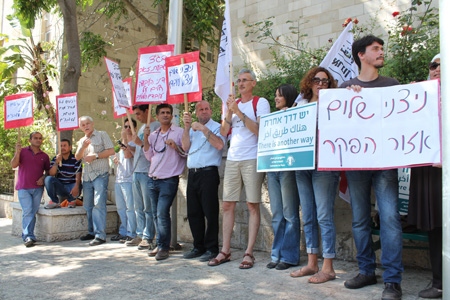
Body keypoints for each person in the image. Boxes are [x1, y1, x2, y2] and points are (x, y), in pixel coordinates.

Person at [340, 35, 403, 300]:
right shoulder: (345, 88)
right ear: (360, 55)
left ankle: (392, 281)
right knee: (359, 220)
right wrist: (347, 100)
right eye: (375, 49)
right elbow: (338, 125)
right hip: (357, 166)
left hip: (386, 163)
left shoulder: (393, 85)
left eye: (381, 48)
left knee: (389, 218)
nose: (380, 52)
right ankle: (366, 270)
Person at [208, 69, 270, 269]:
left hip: (252, 158)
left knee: (252, 205)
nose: (241, 83)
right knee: (227, 205)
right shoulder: (232, 106)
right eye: (239, 80)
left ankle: (249, 252)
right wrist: (228, 112)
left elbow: (261, 131)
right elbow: (224, 132)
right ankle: (225, 250)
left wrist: (239, 112)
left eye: (245, 80)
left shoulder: (260, 103)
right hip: (233, 159)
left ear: (253, 83)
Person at [289, 68, 340, 283]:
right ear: (309, 82)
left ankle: (328, 267)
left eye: (325, 81)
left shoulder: (336, 104)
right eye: (317, 80)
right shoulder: (299, 105)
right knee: (308, 215)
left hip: (324, 167)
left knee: (324, 216)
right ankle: (312, 263)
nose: (321, 84)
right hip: (302, 166)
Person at [407, 53, 442, 299]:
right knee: (436, 227)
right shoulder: (419, 95)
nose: (437, 69)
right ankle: (439, 282)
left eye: (442, 65)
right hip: (430, 170)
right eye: (433, 65)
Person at [181, 101, 225, 262]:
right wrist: (186, 129)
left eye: (207, 108)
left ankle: (212, 248)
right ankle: (197, 246)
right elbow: (185, 147)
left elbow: (219, 145)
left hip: (208, 173)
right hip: (193, 174)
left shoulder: (217, 127)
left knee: (210, 212)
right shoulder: (192, 128)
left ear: (211, 111)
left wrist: (203, 129)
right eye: (201, 109)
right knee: (194, 212)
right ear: (196, 113)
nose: (204, 112)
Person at [143, 104, 186, 260]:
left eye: (168, 112)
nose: (166, 115)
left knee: (162, 213)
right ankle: (160, 243)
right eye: (162, 113)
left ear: (172, 115)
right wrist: (146, 140)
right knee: (155, 214)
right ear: (158, 116)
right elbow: (149, 156)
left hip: (168, 180)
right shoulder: (153, 135)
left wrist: (176, 147)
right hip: (152, 179)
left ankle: (163, 247)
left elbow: (186, 153)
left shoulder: (179, 132)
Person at [265, 84, 300, 271]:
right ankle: (276, 254)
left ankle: (290, 256)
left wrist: (291, 114)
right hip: (272, 167)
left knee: (290, 214)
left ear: (289, 96)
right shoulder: (272, 118)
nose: (276, 98)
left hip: (288, 167)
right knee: (277, 214)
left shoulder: (296, 113)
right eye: (275, 95)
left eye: (279, 95)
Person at [75, 116, 115, 246]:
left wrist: (96, 156)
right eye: (83, 124)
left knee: (99, 204)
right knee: (88, 206)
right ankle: (91, 232)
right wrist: (83, 147)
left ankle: (100, 235)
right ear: (80, 127)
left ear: (92, 124)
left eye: (88, 123)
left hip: (100, 174)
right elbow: (77, 157)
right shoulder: (81, 140)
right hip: (87, 176)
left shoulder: (102, 134)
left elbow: (111, 150)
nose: (86, 126)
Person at [128, 104, 160, 248]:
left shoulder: (156, 126)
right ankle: (140, 234)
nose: (137, 117)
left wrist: (140, 143)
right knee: (138, 207)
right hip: (137, 170)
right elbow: (137, 151)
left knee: (148, 207)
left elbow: (152, 151)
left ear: (147, 111)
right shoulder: (141, 128)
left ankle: (148, 236)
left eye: (139, 114)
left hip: (148, 171)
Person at [11, 132, 50, 247]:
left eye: (40, 138)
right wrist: (17, 153)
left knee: (32, 212)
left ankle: (30, 235)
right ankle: (28, 236)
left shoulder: (45, 156)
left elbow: (48, 171)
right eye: (35, 138)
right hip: (23, 187)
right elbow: (13, 165)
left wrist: (43, 177)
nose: (38, 140)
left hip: (37, 189)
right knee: (27, 211)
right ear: (30, 140)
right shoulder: (22, 151)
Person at [111, 118, 137, 243]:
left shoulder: (134, 143)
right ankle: (123, 231)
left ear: (134, 128)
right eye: (125, 126)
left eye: (129, 127)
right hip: (119, 179)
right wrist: (115, 160)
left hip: (129, 179)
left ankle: (131, 233)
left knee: (130, 208)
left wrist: (125, 139)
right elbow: (121, 158)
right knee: (121, 208)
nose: (127, 129)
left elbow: (128, 155)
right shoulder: (122, 143)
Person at [44, 139, 82, 209]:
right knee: (48, 179)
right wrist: (56, 162)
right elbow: (52, 174)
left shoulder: (75, 158)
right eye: (61, 146)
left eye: (65, 146)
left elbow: (78, 174)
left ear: (70, 147)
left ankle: (71, 200)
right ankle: (54, 201)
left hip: (72, 186)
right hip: (61, 186)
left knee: (79, 184)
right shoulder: (56, 158)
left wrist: (76, 186)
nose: (63, 148)